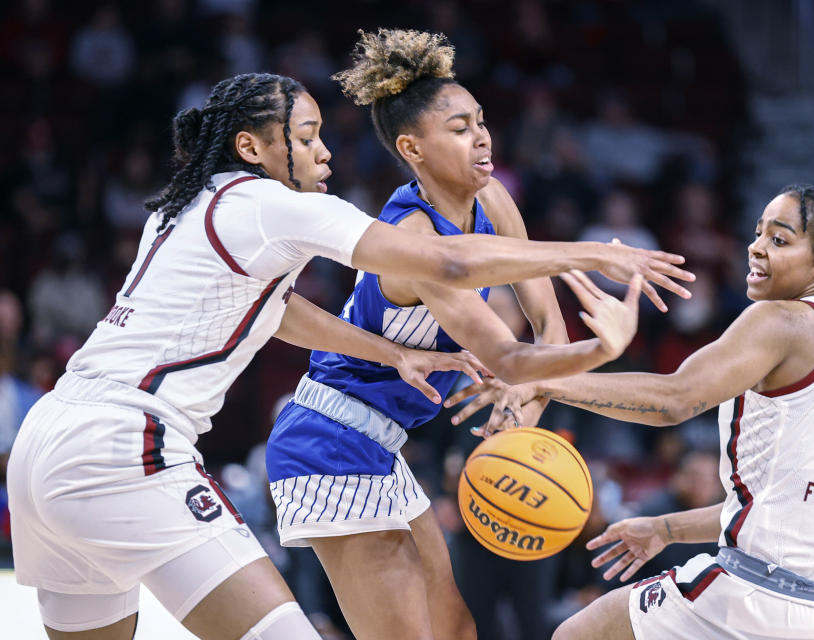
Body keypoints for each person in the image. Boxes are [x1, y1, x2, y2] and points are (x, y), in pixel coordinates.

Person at [6, 71, 692, 640]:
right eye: (305, 139)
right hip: (129, 446)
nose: (325, 154)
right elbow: (450, 264)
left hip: (45, 442)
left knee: (453, 629)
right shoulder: (277, 206)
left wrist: (393, 352)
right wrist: (603, 253)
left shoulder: (188, 207)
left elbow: (279, 310)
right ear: (252, 147)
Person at [264, 29, 694, 640]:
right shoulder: (412, 239)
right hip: (327, 443)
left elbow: (545, 324)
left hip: (379, 446)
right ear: (412, 148)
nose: (483, 136)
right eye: (461, 127)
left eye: (482, 121)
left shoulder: (492, 196)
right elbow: (513, 356)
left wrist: (530, 408)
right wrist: (605, 343)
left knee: (458, 631)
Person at [448, 185, 814, 639]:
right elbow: (781, 507)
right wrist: (666, 529)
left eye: (780, 239)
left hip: (763, 598)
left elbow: (675, 399)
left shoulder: (781, 320)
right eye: (758, 234)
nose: (756, 247)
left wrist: (543, 380)